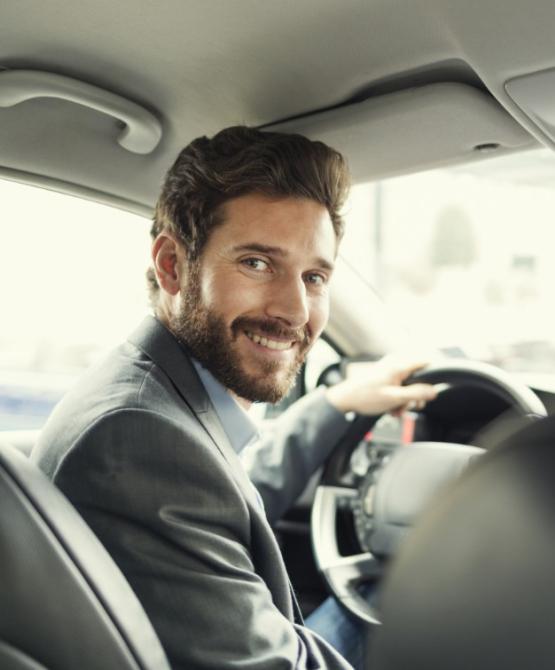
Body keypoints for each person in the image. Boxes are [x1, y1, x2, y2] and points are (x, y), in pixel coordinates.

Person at [32, 126, 436, 670]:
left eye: (314, 276)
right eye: (257, 263)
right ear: (173, 266)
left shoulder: (156, 400)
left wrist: (334, 403)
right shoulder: (135, 440)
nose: (294, 310)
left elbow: (229, 497)